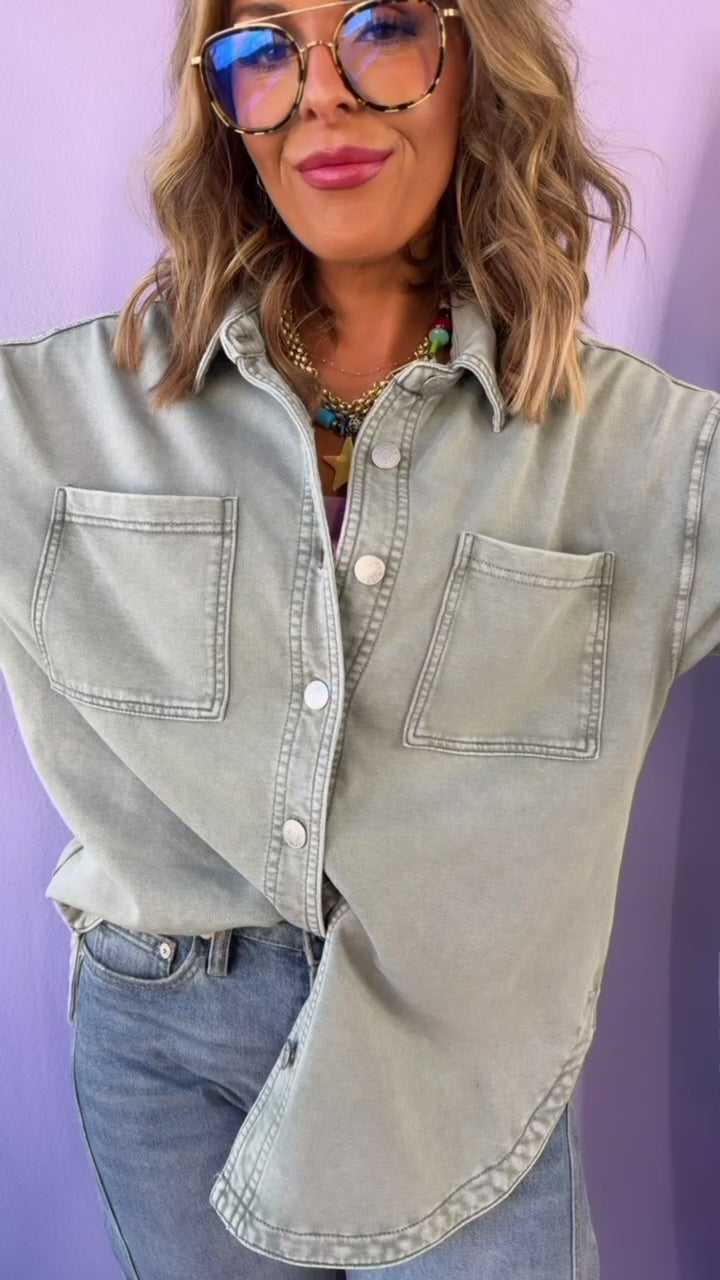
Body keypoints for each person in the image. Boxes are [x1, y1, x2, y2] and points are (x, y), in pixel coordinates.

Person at [1, 0, 719, 1277]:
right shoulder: (51, 416)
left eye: (380, 26)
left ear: (475, 62)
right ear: (226, 108)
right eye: (263, 50)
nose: (321, 92)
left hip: (463, 1073)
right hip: (162, 1054)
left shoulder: (653, 457)